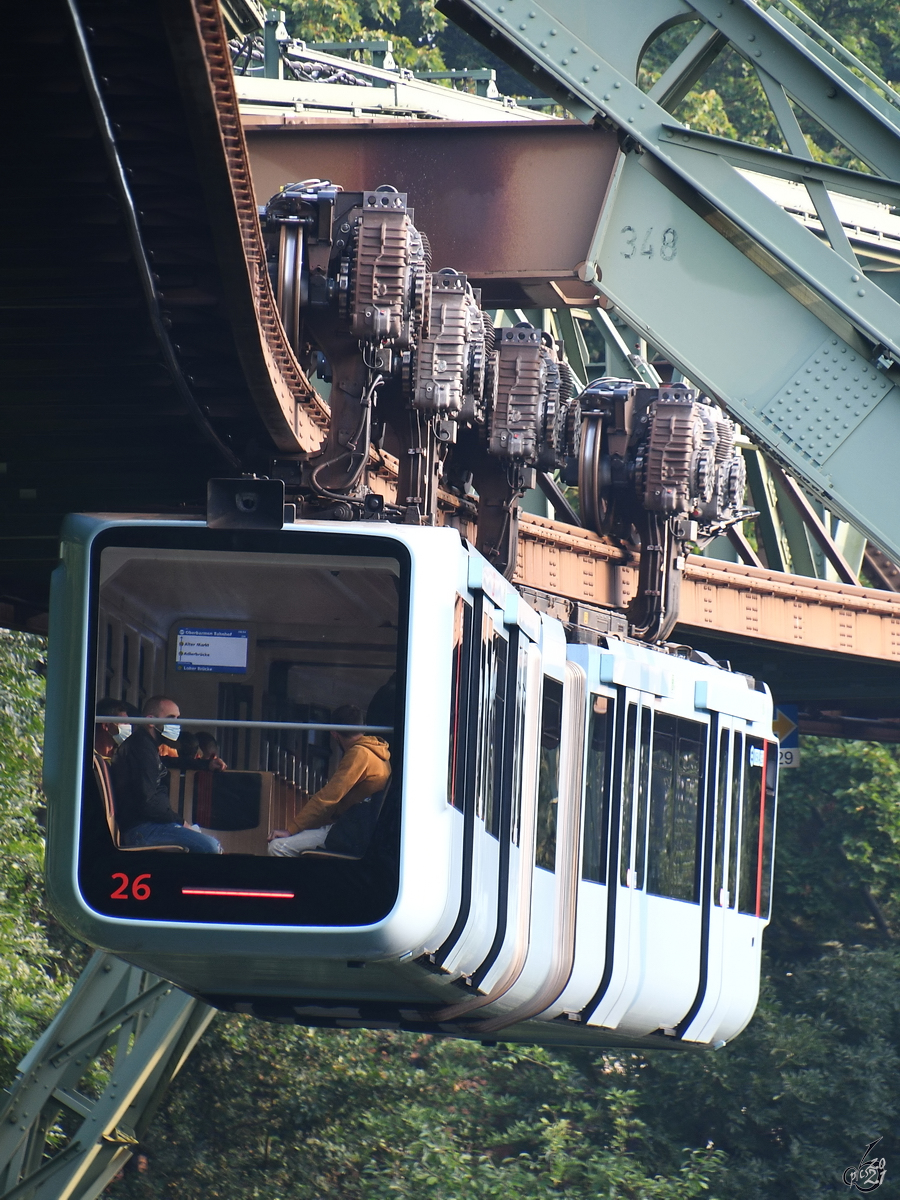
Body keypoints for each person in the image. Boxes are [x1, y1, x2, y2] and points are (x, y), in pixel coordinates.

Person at [268, 704, 390, 856]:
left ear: (334, 733)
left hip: (347, 832)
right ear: (363, 727)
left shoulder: (360, 753)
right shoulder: (379, 754)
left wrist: (291, 829)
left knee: (278, 847)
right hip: (359, 831)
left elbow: (328, 798)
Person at [108, 695, 221, 852]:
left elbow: (167, 762)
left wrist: (205, 764)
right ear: (151, 721)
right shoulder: (142, 749)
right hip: (143, 829)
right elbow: (147, 802)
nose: (177, 723)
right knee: (210, 847)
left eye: (178, 718)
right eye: (171, 717)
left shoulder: (145, 745)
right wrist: (181, 823)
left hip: (150, 825)